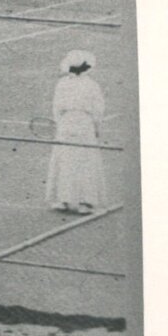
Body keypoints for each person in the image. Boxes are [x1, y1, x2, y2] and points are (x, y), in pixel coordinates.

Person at [46, 51, 107, 214]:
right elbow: (98, 110)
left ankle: (63, 200)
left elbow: (56, 108)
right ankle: (85, 202)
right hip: (84, 124)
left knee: (65, 159)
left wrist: (61, 124)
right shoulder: (92, 85)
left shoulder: (61, 84)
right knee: (85, 160)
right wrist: (96, 127)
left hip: (66, 123)